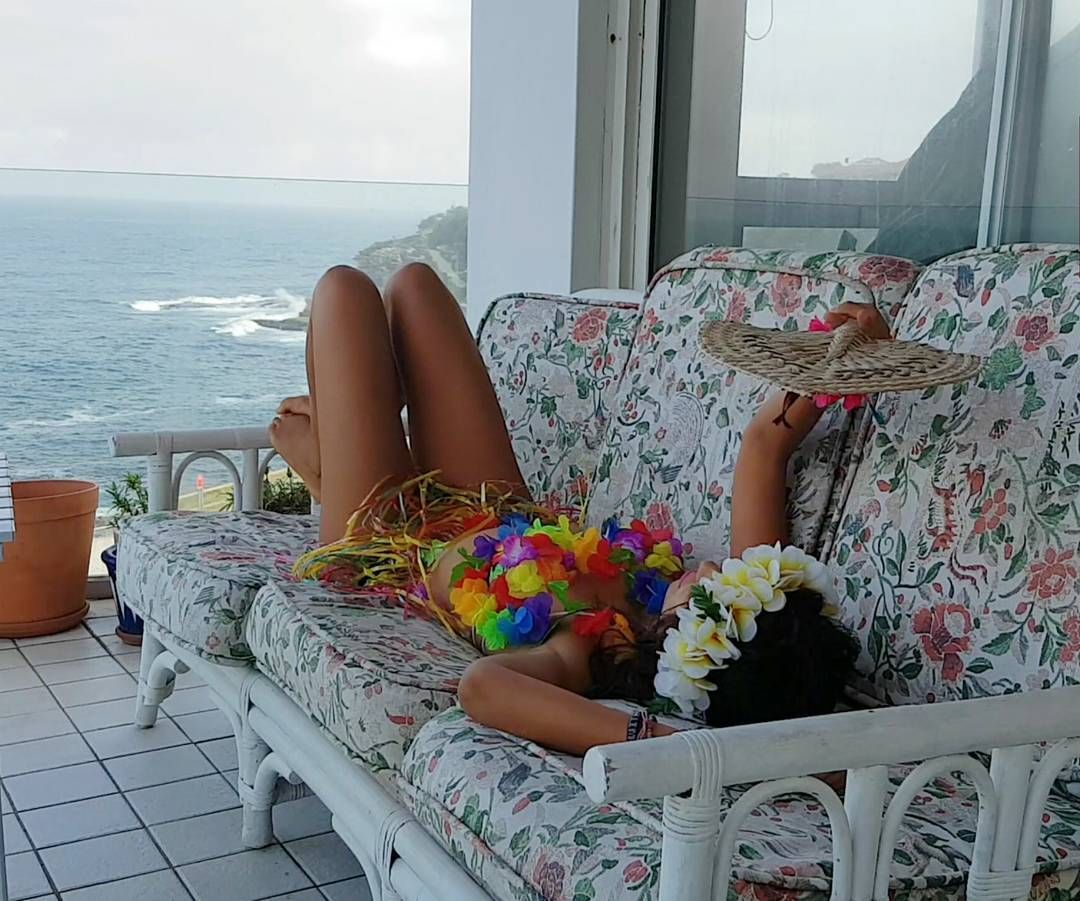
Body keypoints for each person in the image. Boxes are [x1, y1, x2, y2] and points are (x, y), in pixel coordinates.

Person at [272, 263, 883, 757]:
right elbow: (765, 446)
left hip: (387, 539)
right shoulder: (738, 606)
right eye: (733, 577)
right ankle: (343, 442)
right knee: (415, 286)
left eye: (710, 594)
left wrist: (669, 746)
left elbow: (481, 687)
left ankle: (334, 465)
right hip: (488, 504)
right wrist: (850, 354)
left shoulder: (587, 655)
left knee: (343, 292)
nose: (711, 570)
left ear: (694, 654)